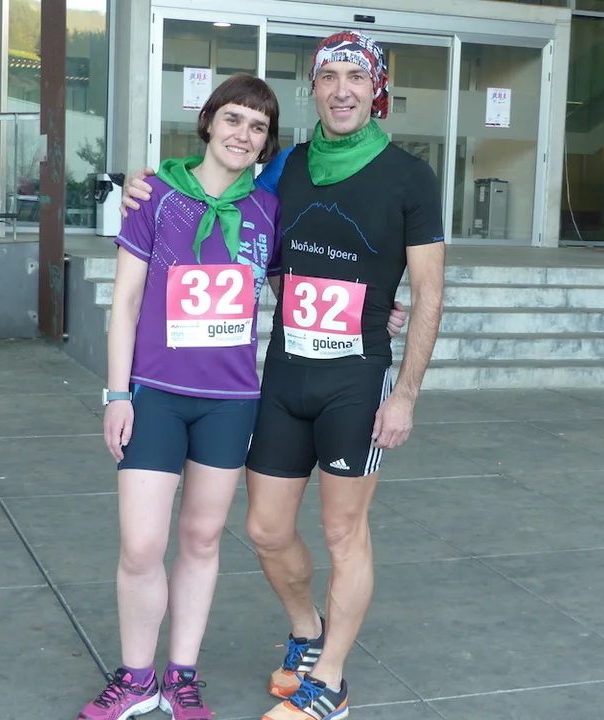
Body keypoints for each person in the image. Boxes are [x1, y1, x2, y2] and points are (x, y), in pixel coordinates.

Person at [121, 30, 444, 720]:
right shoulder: (287, 165)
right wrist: (142, 186)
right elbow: (226, 193)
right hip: (285, 373)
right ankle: (306, 630)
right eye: (329, 77)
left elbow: (431, 291)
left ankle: (330, 681)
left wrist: (407, 394)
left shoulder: (410, 176)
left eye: (357, 77)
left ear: (376, 90)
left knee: (343, 532)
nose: (342, 90)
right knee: (265, 529)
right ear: (315, 88)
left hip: (357, 378)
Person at [76, 73, 283, 720]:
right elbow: (126, 303)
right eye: (233, 119)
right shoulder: (156, 196)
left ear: (266, 142)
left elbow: (297, 286)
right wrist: (117, 394)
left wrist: (378, 312)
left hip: (231, 401)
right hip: (156, 396)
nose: (243, 134)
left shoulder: (269, 210)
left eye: (257, 126)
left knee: (201, 539)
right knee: (141, 545)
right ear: (208, 122)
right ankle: (136, 679)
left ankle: (182, 677)